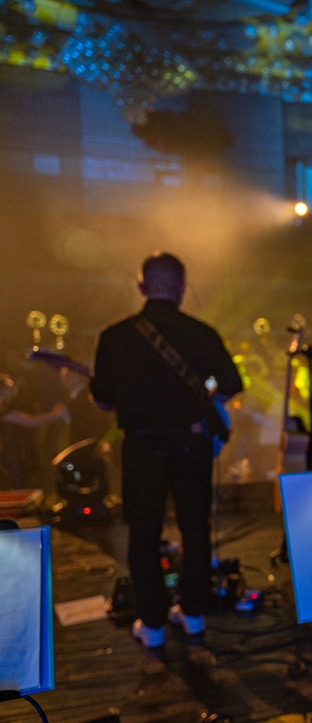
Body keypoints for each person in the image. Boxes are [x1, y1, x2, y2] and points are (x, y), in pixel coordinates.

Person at [90, 253, 243, 648]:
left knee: (143, 534)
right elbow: (231, 384)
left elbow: (103, 401)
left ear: (141, 286)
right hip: (192, 443)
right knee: (195, 530)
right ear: (181, 287)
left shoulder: (115, 336)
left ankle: (153, 625)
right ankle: (193, 616)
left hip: (142, 446)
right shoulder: (201, 333)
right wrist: (201, 393)